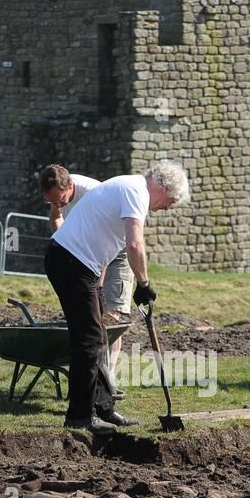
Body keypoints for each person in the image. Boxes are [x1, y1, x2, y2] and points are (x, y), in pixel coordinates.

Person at [44, 161, 191, 432]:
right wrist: (144, 284)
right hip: (70, 263)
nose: (169, 206)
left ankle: (103, 408)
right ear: (164, 187)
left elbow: (104, 239)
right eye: (172, 200)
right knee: (88, 340)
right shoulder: (136, 192)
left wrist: (99, 288)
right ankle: (79, 416)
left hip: (79, 265)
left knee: (98, 337)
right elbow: (135, 244)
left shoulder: (130, 187)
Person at [40, 165, 133, 392]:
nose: (58, 204)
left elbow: (100, 249)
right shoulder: (57, 193)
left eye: (61, 199)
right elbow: (57, 221)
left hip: (118, 250)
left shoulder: (92, 193)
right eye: (52, 201)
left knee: (112, 315)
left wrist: (95, 286)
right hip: (89, 252)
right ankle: (96, 377)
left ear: (70, 186)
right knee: (92, 317)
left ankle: (108, 376)